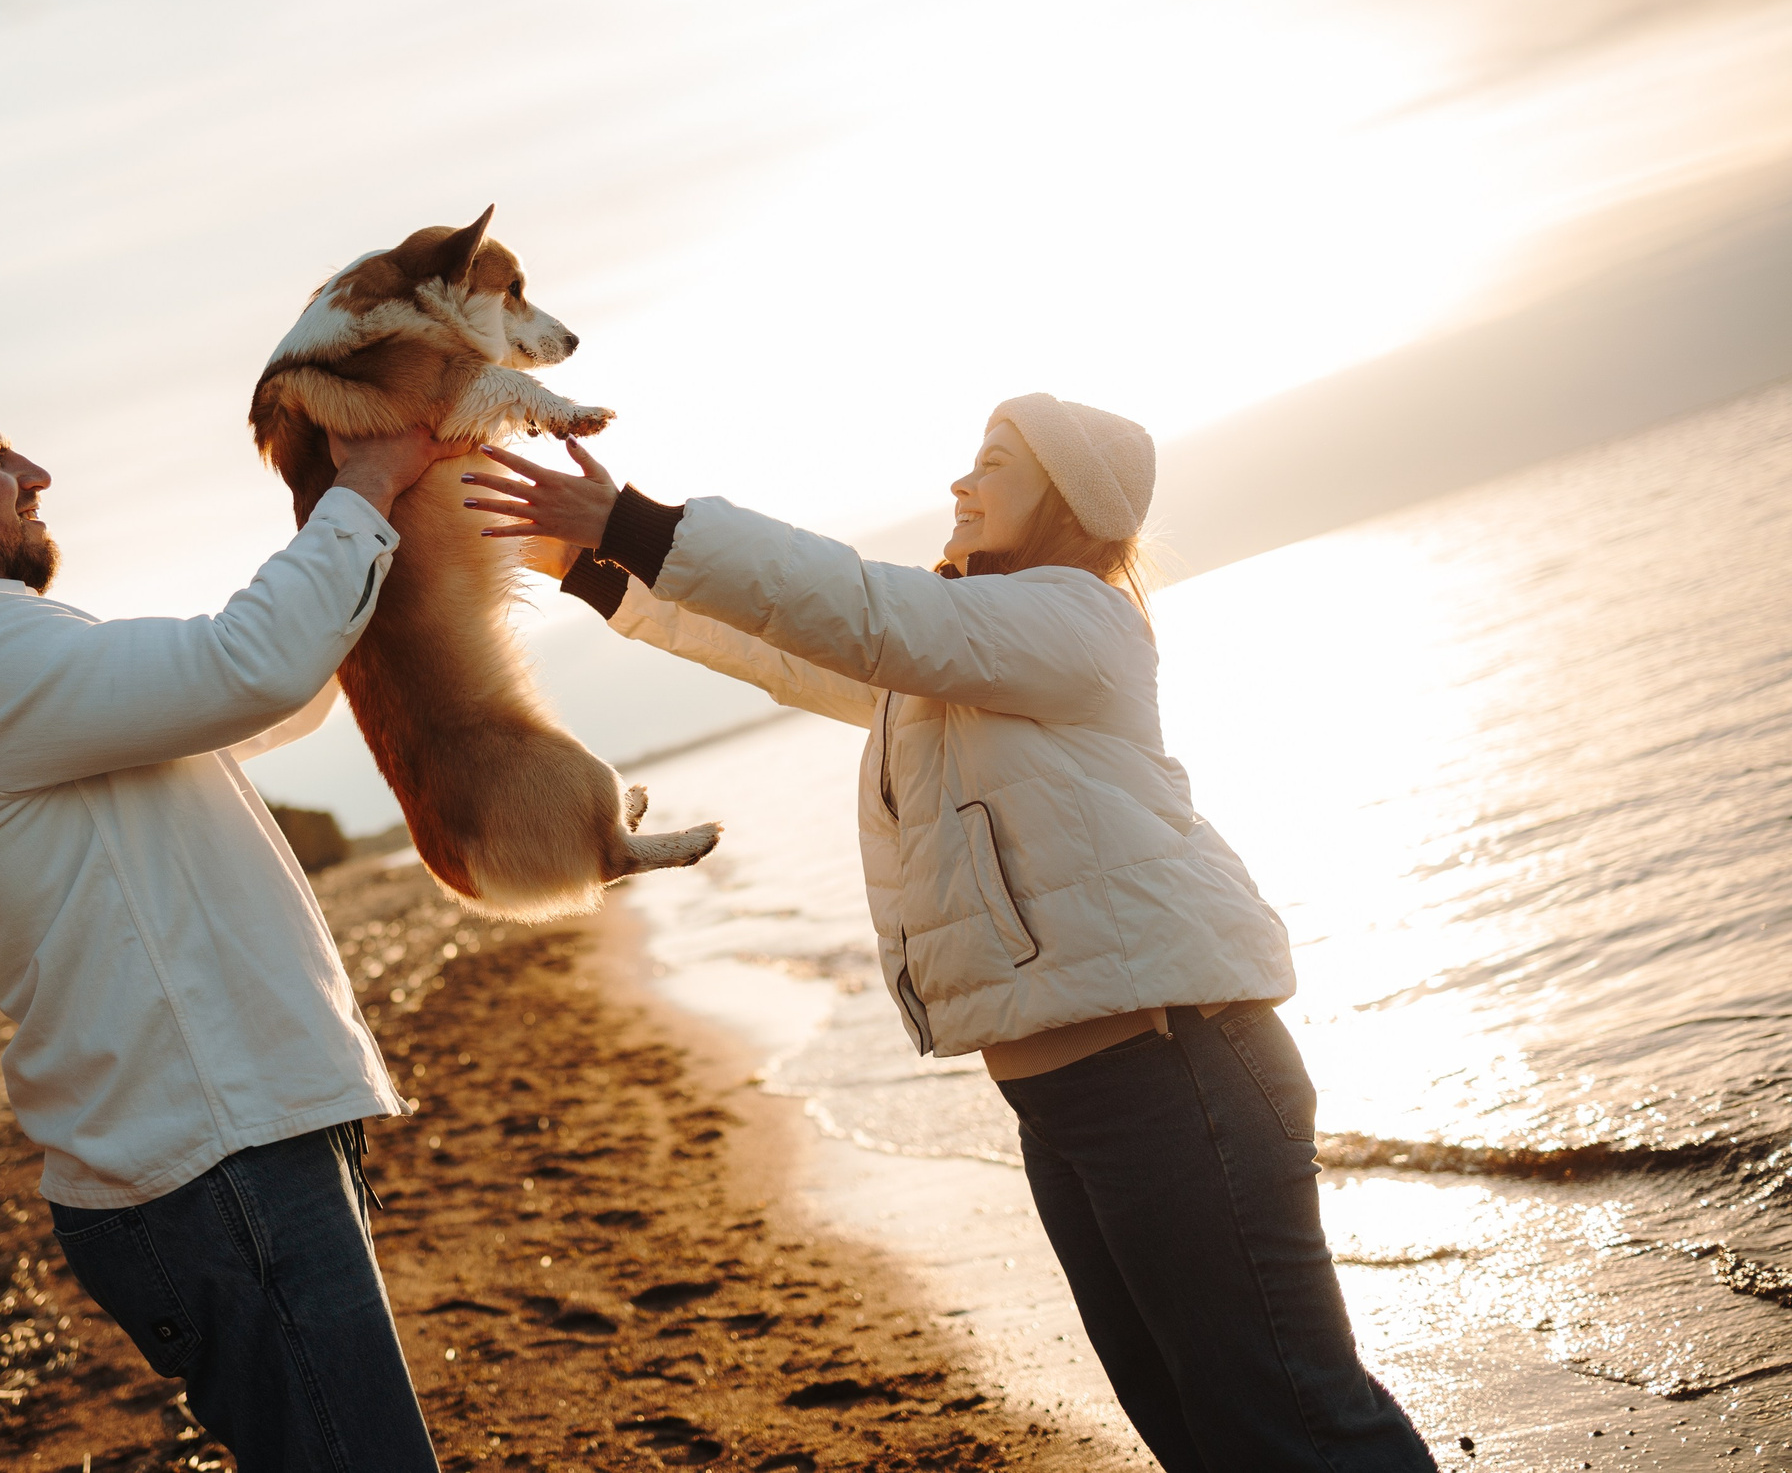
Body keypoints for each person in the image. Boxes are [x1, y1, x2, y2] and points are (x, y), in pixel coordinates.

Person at [464, 397, 1436, 1472]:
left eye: (995, 464)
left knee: (1291, 1423)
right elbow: (789, 646)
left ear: (1068, 502)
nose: (961, 485)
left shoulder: (1077, 620)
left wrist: (636, 522)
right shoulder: (954, 659)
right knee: (1192, 1428)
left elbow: (864, 609)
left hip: (1175, 1077)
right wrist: (595, 569)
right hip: (1067, 1103)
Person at [0, 375, 453, 1471]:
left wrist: (356, 519)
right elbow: (246, 666)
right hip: (211, 1158)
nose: (35, 474)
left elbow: (260, 696)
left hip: (221, 1147)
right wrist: (368, 485)